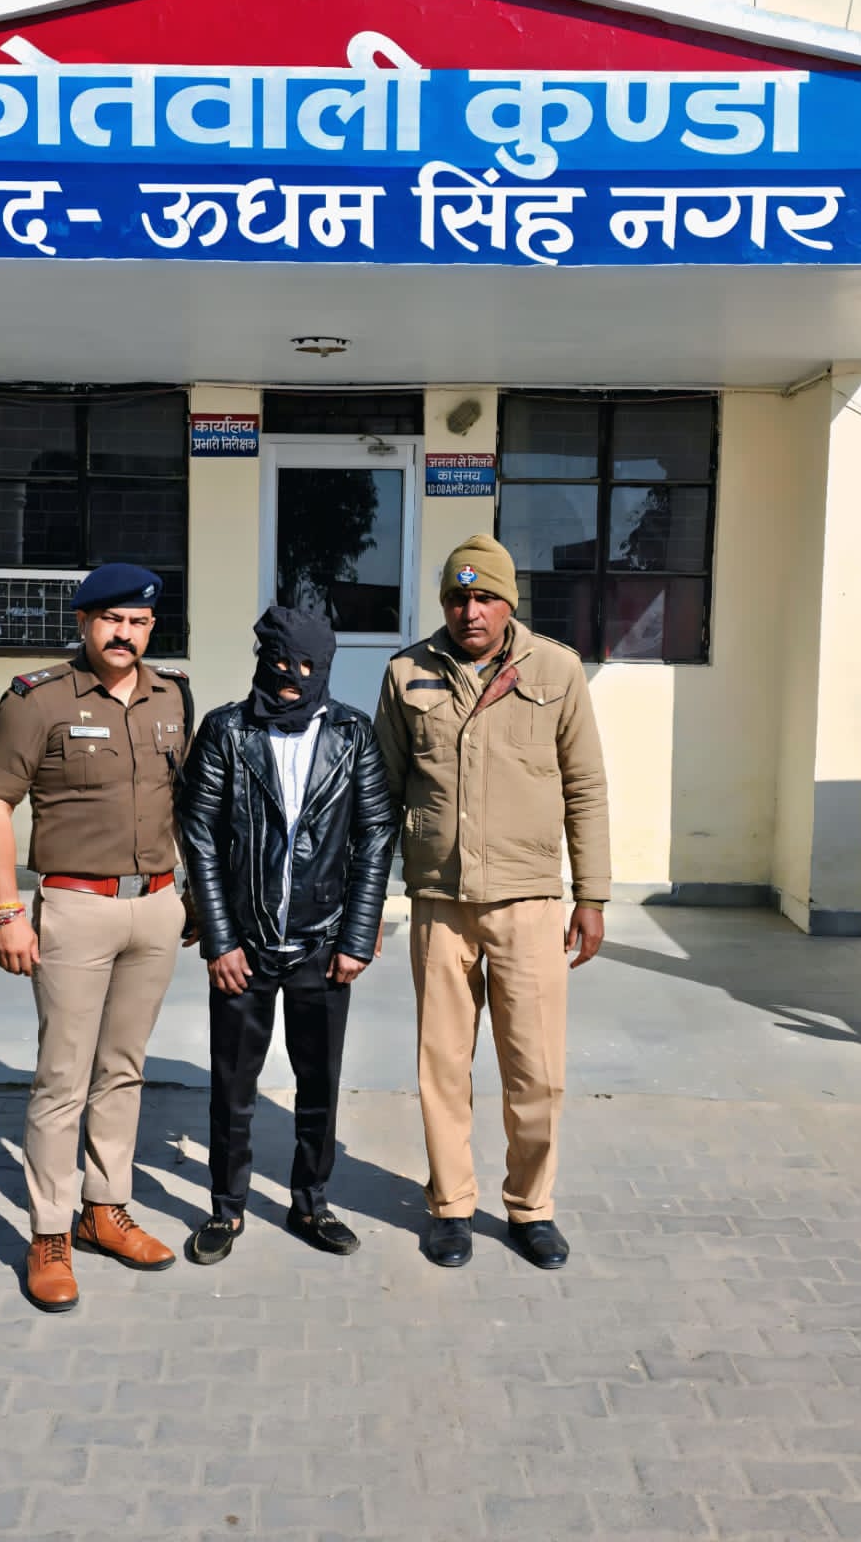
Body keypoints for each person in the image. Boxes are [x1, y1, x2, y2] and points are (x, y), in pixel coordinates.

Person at [374, 535, 610, 1271]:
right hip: (439, 902)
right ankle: (450, 1205)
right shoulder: (407, 672)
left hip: (529, 903)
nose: (469, 611)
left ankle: (531, 1207)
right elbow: (381, 793)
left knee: (535, 1070)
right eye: (457, 597)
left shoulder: (557, 670)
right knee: (442, 1066)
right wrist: (366, 902)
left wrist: (592, 893)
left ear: (509, 602)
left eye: (484, 597)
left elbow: (585, 786)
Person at [0, 562, 193, 1312]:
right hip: (74, 908)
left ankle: (105, 1209)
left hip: (155, 906)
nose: (124, 633)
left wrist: (194, 898)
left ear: (152, 627)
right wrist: (7, 910)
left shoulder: (174, 695)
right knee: (62, 1077)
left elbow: (186, 805)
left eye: (138, 621)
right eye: (111, 619)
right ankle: (49, 1232)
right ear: (84, 622)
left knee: (123, 1069)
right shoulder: (38, 699)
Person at [175, 606, 395, 1264]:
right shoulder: (227, 731)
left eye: (307, 666)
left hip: (323, 946)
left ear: (326, 666)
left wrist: (357, 934)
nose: (292, 678)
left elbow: (375, 836)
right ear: (261, 659)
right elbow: (199, 836)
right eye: (279, 663)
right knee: (232, 1089)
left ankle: (311, 1202)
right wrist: (219, 939)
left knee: (318, 1086)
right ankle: (226, 1209)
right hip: (243, 946)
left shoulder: (353, 735)